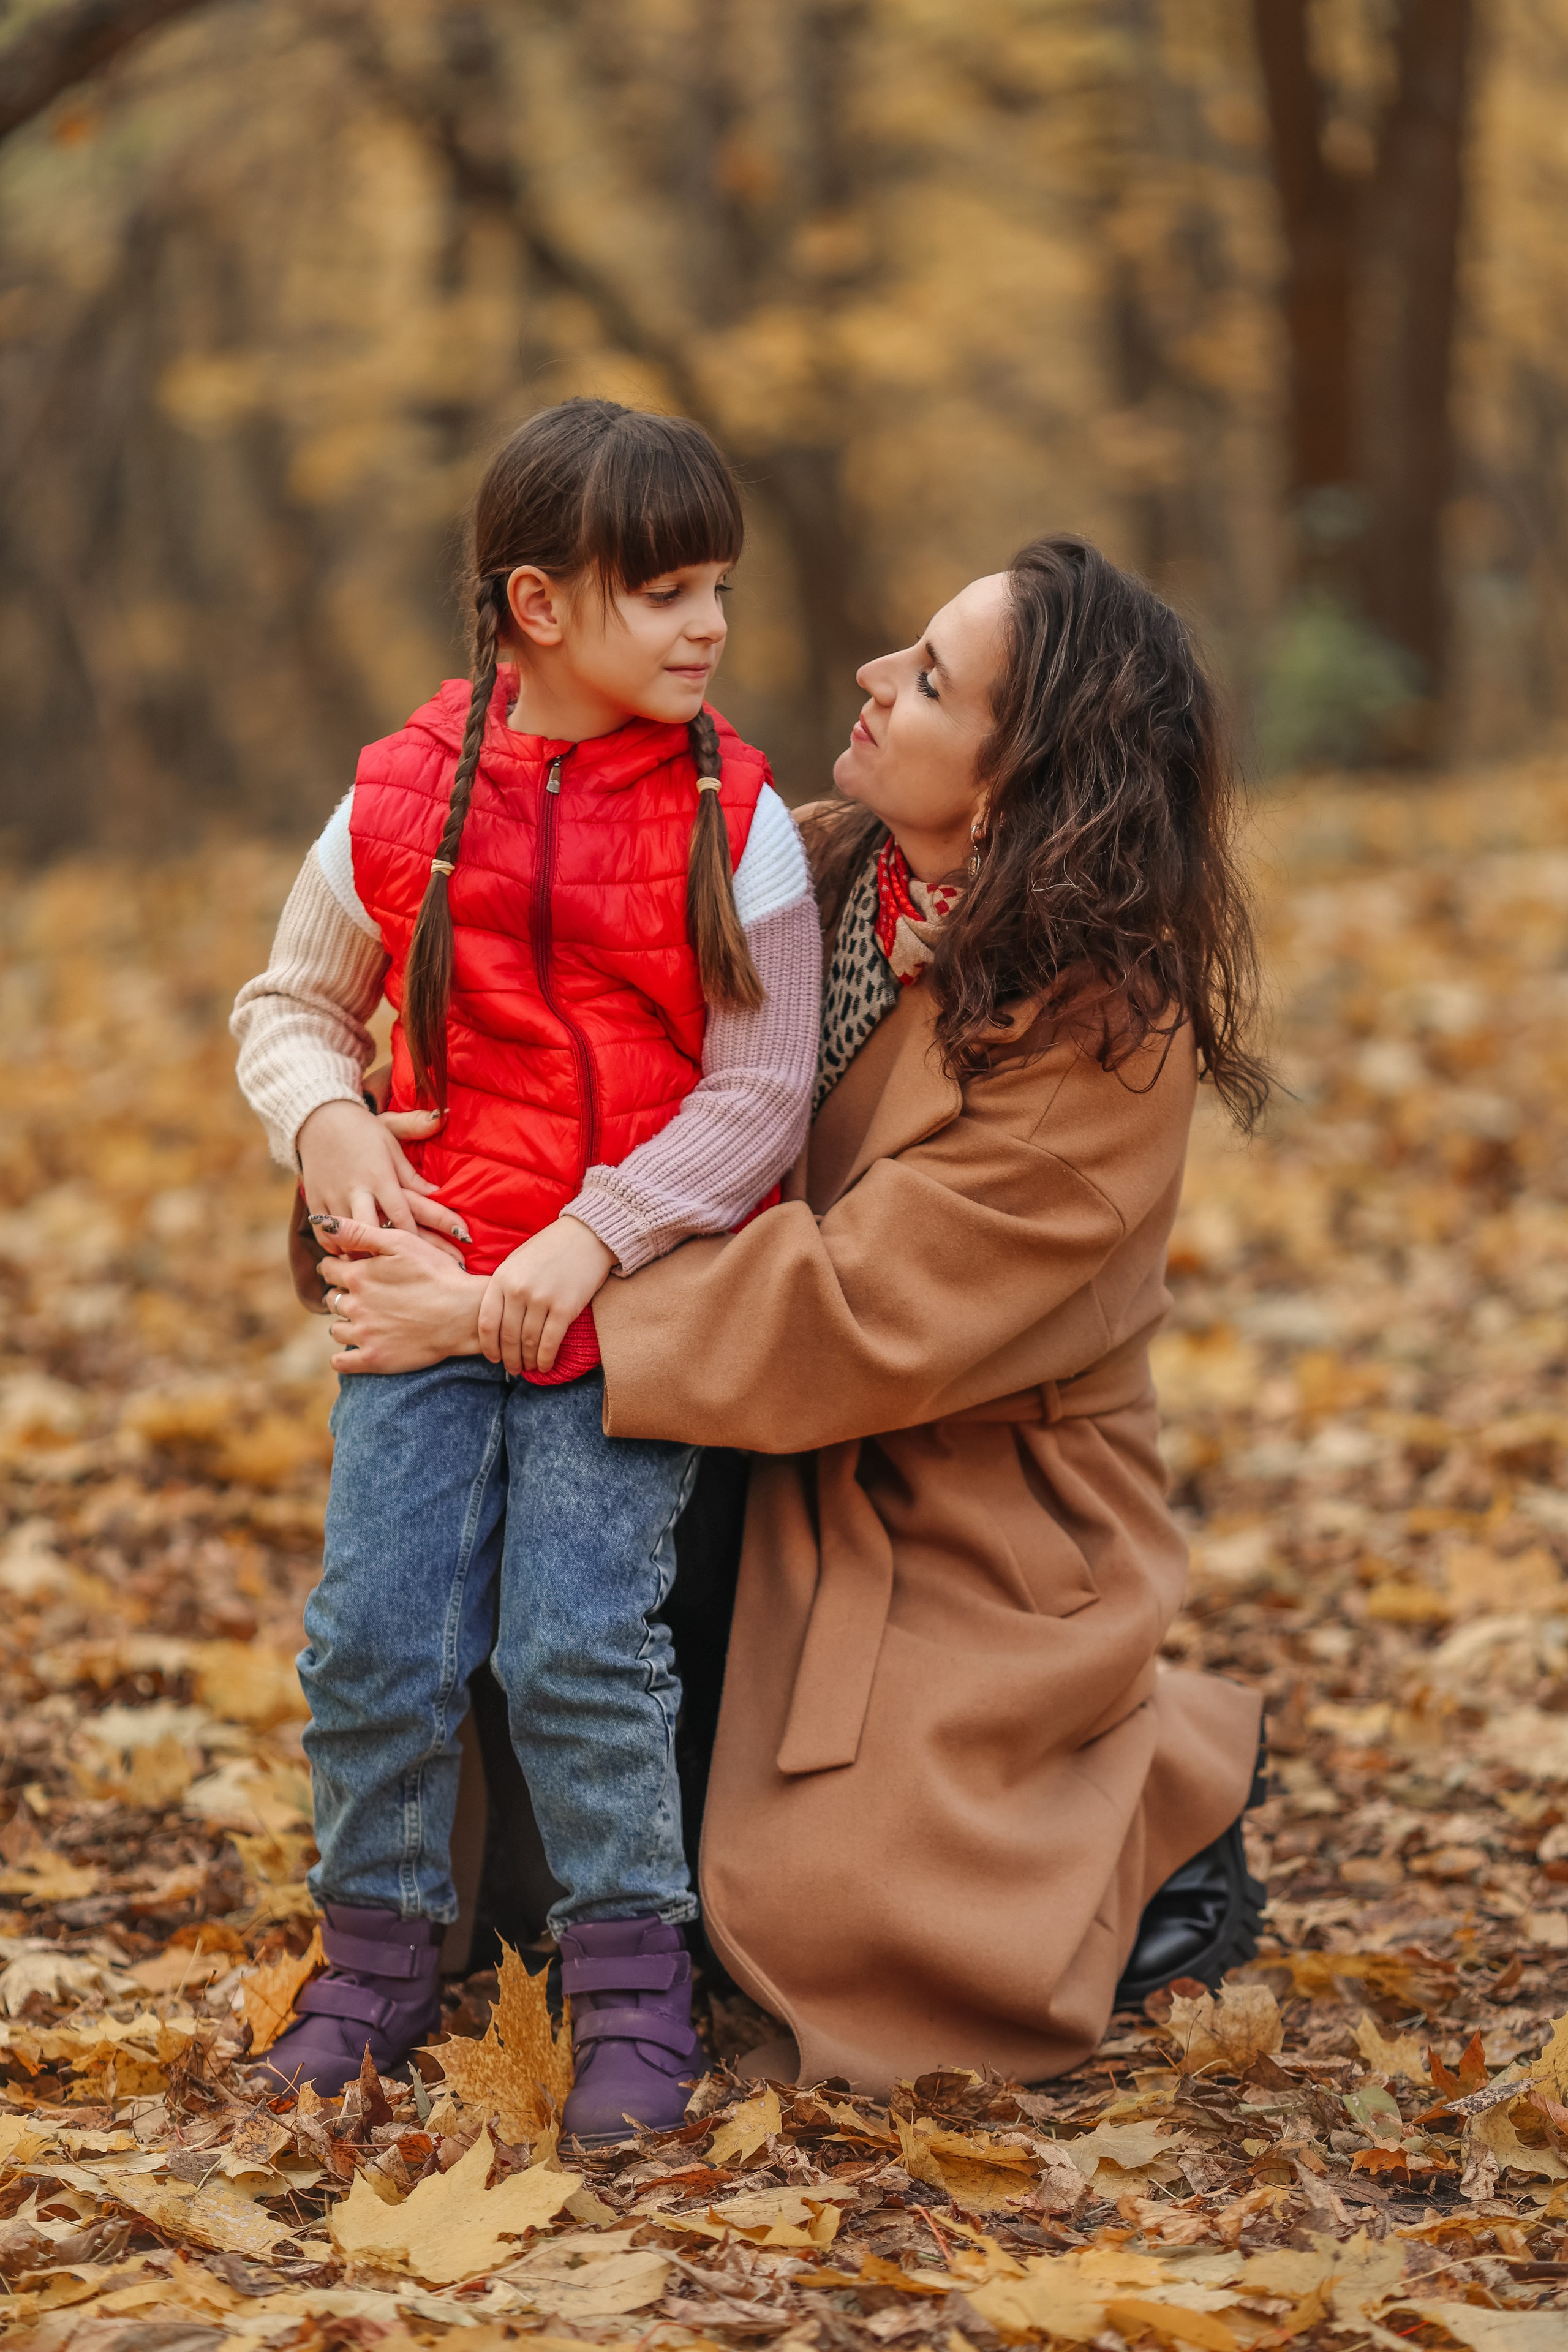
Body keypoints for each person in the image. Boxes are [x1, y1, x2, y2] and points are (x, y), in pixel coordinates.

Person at [314, 534, 1270, 2091]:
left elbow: (864, 1304)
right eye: (905, 649)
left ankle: (1152, 1808)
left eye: (930, 681)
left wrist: (493, 1308)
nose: (872, 678)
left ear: (1016, 788)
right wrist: (374, 1164)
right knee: (522, 1875)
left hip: (945, 1485)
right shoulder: (799, 859)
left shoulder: (1106, 1033)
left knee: (833, 1911)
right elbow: (539, 1053)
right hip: (704, 1403)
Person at [229, 399, 821, 2135]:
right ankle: (375, 1963)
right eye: (665, 592)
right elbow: (288, 1005)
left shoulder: (739, 817)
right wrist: (328, 1126)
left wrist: (595, 1232)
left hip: (619, 1317)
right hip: (418, 1300)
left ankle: (632, 1988)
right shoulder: (398, 797)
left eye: (717, 587)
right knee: (375, 1641)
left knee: (577, 1648)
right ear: (538, 605)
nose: (708, 626)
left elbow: (761, 1091)